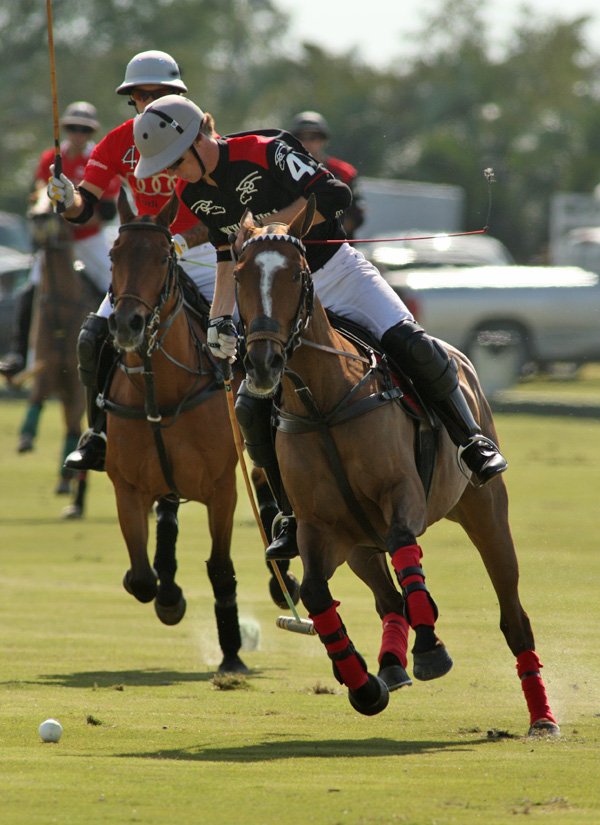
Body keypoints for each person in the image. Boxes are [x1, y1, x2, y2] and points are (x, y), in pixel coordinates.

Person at [131, 95, 508, 560]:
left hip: (338, 275)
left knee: (416, 347)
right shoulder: (194, 194)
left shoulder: (266, 150)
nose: (169, 175)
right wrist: (219, 320)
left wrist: (270, 227)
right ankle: (291, 514)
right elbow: (228, 256)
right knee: (252, 405)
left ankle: (471, 442)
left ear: (195, 140)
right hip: (278, 298)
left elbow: (333, 194)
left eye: (171, 163)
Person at [45, 50, 216, 473]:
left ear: (177, 95)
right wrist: (67, 200)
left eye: (160, 94)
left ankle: (262, 430)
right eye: (142, 95)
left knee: (242, 332)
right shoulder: (118, 142)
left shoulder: (203, 140)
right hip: (145, 259)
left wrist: (180, 243)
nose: (150, 102)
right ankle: (99, 433)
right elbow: (86, 206)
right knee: (91, 337)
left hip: (199, 253)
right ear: (131, 99)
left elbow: (219, 214)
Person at [0, 101, 119, 378]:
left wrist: (71, 217)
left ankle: (116, 348)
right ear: (65, 129)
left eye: (84, 129)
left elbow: (105, 212)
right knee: (30, 288)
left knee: (113, 285)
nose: (78, 134)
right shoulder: (51, 160)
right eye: (73, 128)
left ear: (91, 132)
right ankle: (19, 354)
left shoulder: (99, 159)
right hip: (57, 243)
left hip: (89, 239)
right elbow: (40, 193)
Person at [290, 110, 365, 240]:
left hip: (338, 251)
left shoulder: (344, 173)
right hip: (298, 250)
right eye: (301, 138)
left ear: (323, 140)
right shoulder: (285, 174)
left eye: (313, 137)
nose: (307, 143)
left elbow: (356, 217)